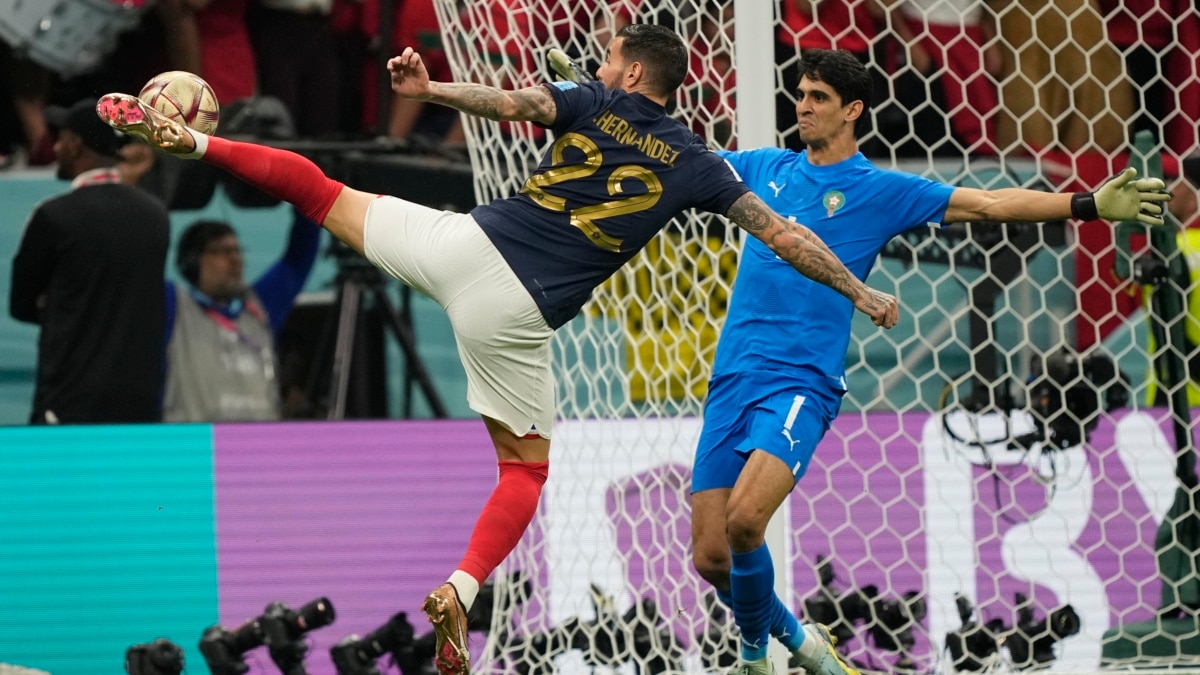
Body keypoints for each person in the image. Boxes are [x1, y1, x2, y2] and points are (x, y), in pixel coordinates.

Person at [94, 25, 899, 674]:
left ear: (630, 73)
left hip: (461, 244)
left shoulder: (590, 100)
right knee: (522, 471)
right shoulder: (695, 164)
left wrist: (431, 88)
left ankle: (198, 146)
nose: (599, 60)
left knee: (316, 188)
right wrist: (859, 292)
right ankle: (461, 584)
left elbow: (510, 101)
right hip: (516, 310)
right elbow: (782, 234)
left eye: (610, 54)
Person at [683, 48, 1171, 675]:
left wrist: (1088, 205)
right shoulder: (762, 168)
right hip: (732, 379)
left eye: (818, 98)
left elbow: (990, 204)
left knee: (747, 520)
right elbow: (676, 160)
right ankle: (806, 647)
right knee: (711, 556)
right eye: (800, 94)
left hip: (800, 381)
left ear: (852, 110)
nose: (802, 106)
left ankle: (755, 660)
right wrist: (602, 107)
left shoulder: (879, 190)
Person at [9, 98, 170, 424]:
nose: (56, 146)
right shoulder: (157, 215)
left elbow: (21, 304)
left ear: (75, 144)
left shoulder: (53, 217)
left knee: (57, 475)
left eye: (61, 138)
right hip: (141, 404)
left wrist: (70, 308)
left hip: (69, 401)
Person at [164, 208, 320, 422]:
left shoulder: (257, 309)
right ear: (192, 261)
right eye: (222, 251)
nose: (235, 260)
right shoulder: (174, 306)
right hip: (197, 449)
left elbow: (298, 259)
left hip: (258, 449)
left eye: (237, 251)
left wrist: (306, 192)